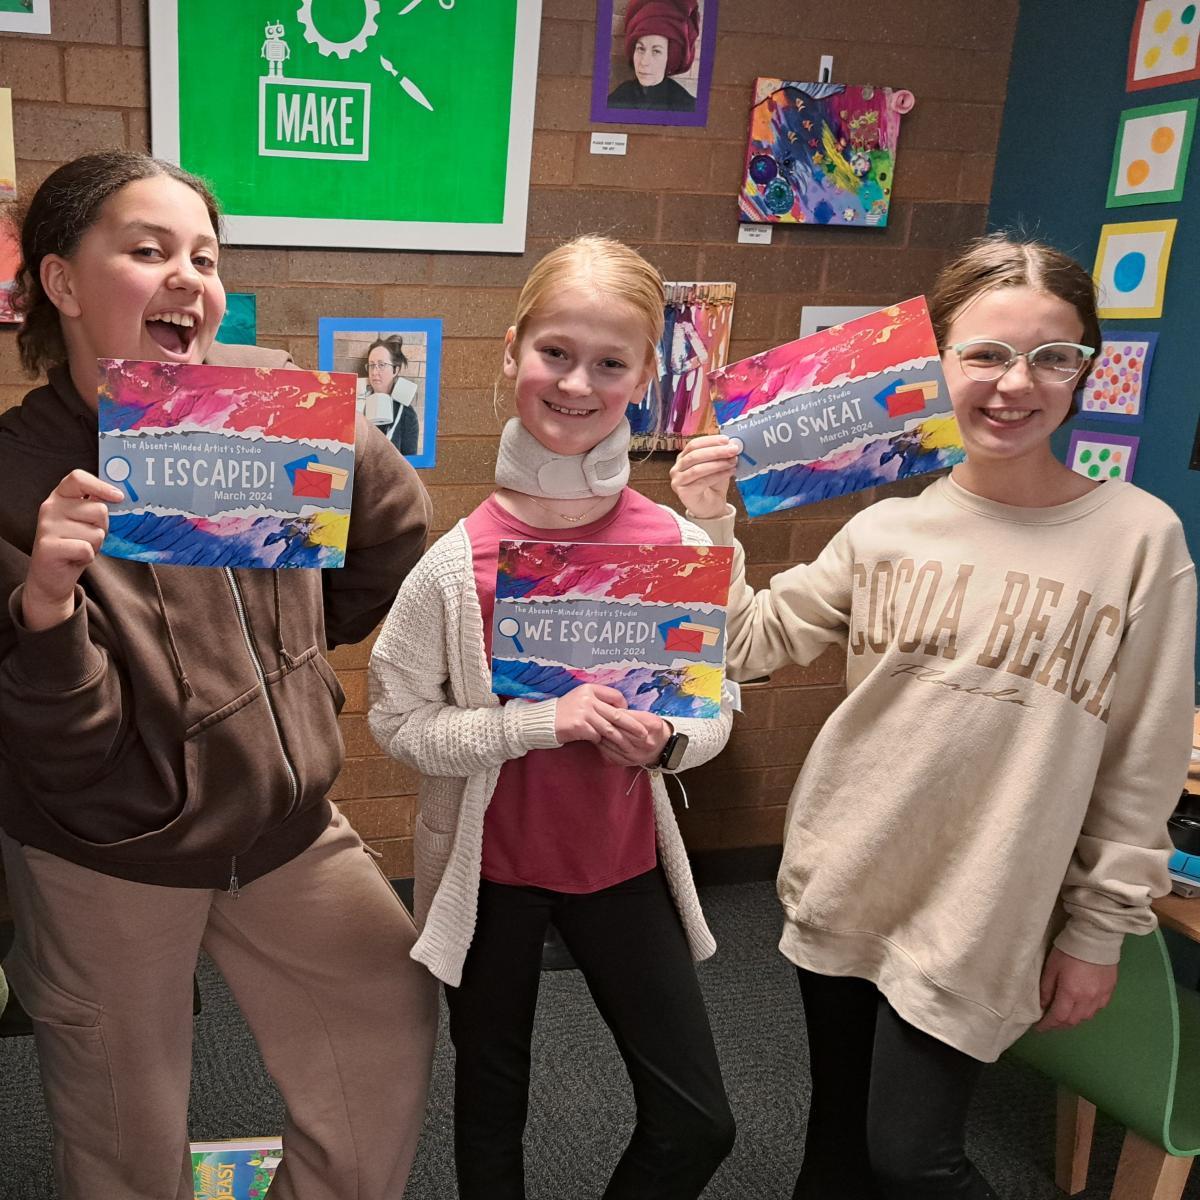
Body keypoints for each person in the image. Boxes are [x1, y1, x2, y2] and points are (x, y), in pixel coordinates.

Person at [669, 233, 1196, 1199]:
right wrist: (711, 520)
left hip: (982, 910)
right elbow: (742, 645)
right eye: (987, 353)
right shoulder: (885, 528)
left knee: (913, 1158)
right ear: (939, 363)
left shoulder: (1138, 538)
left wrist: (1097, 928)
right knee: (836, 1139)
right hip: (847, 875)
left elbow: (1143, 761)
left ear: (1085, 369)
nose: (1014, 383)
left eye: (1051, 355)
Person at [0, 151, 438, 1200]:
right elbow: (63, 749)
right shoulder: (14, 477)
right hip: (105, 851)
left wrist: (289, 658)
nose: (188, 275)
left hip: (283, 823)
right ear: (61, 282)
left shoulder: (263, 415)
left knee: (386, 1013)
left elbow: (396, 532)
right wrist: (50, 599)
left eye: (204, 254)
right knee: (124, 1135)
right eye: (147, 251)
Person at [368, 235, 737, 1199]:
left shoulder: (678, 546)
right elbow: (395, 723)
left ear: (645, 376)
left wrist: (672, 739)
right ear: (512, 352)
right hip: (487, 877)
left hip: (620, 868)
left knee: (697, 1123)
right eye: (556, 353)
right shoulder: (458, 561)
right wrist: (538, 722)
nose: (577, 384)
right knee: (491, 1112)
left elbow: (718, 708)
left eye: (610, 363)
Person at [606, 0, 700, 113]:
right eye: (640, 49)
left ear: (669, 57)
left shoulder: (687, 106)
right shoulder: (617, 98)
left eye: (656, 51)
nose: (644, 62)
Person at [362, 334, 421, 457]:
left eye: (381, 365)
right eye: (371, 365)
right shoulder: (358, 406)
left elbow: (410, 464)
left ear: (395, 370)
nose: (374, 372)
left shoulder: (407, 415)